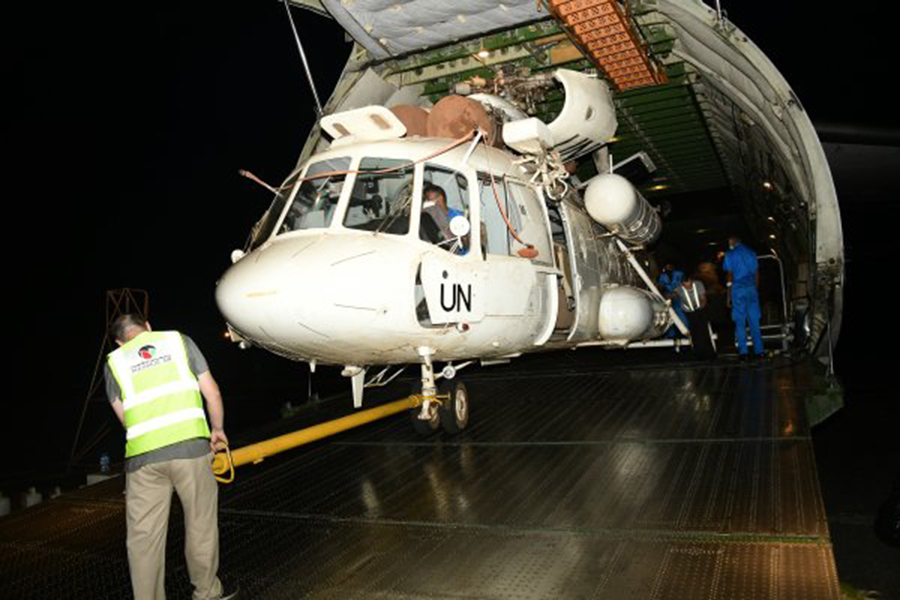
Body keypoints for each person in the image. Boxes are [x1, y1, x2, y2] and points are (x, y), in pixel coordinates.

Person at [104, 314, 237, 600]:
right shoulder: (179, 341)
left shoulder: (114, 363)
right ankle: (206, 593)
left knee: (143, 540)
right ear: (148, 327)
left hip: (143, 459)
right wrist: (218, 430)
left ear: (118, 341)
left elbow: (127, 420)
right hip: (191, 449)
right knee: (200, 523)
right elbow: (211, 392)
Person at [723, 235, 765, 360]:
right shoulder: (751, 252)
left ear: (732, 241)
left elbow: (730, 275)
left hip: (738, 290)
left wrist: (728, 295)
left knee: (740, 322)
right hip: (751, 289)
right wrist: (755, 290)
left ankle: (744, 353)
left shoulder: (730, 254)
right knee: (754, 322)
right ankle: (760, 352)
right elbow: (757, 273)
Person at [675, 272, 717, 360]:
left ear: (691, 281)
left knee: (703, 331)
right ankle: (698, 354)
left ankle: (709, 354)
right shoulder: (679, 289)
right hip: (688, 312)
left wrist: (700, 308)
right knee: (694, 333)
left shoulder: (698, 285)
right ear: (682, 284)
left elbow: (703, 299)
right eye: (685, 285)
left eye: (689, 284)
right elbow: (674, 296)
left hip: (700, 310)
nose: (688, 287)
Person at [423, 183, 466, 252]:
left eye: (429, 199)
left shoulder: (458, 217)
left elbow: (466, 243)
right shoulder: (428, 218)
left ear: (440, 198)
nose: (428, 203)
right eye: (427, 200)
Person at [658, 263, 686, 338]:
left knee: (681, 314)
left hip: (679, 297)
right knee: (669, 315)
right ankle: (670, 335)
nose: (668, 268)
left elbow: (684, 284)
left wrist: (678, 292)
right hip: (668, 298)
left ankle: (686, 332)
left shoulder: (679, 274)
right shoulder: (662, 276)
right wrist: (664, 294)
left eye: (670, 266)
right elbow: (661, 286)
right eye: (666, 267)